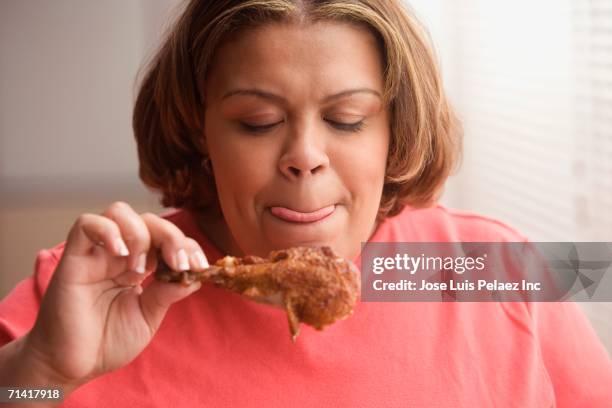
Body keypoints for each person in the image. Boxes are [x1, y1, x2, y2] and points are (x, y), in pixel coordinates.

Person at [0, 0, 611, 406]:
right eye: (258, 122)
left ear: (393, 132)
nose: (304, 155)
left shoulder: (500, 268)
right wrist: (44, 376)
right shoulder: (89, 292)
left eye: (347, 120)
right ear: (200, 132)